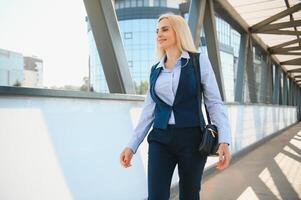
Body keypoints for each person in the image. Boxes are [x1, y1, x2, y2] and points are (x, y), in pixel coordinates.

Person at [119, 13, 232, 200]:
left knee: (189, 195)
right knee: (155, 197)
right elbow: (148, 111)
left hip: (192, 139)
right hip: (160, 139)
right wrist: (131, 146)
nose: (159, 34)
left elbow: (214, 103)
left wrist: (224, 141)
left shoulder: (198, 61)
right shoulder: (155, 69)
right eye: (157, 31)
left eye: (164, 29)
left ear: (178, 31)